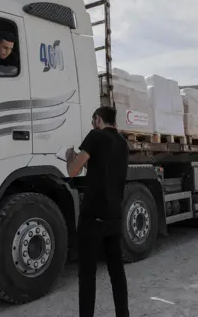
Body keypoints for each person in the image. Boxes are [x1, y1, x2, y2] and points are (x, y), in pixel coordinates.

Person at [65, 106, 130, 317]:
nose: (92, 124)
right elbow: (102, 168)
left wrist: (69, 157)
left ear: (98, 119)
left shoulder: (95, 136)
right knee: (117, 273)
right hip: (113, 217)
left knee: (87, 276)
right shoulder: (123, 143)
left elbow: (73, 170)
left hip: (92, 217)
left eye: (93, 120)